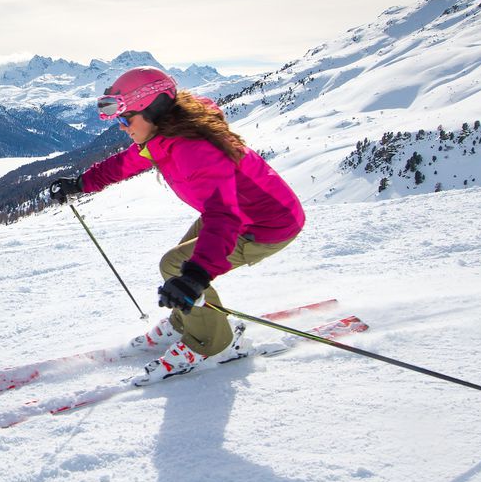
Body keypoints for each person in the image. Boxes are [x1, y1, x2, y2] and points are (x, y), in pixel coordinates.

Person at [49, 66, 305, 386]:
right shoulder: (164, 135)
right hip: (236, 213)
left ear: (154, 109)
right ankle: (187, 321)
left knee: (179, 266)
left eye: (127, 118)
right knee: (181, 266)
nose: (122, 126)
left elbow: (224, 217)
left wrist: (197, 276)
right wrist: (80, 183)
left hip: (265, 224)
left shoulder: (195, 149)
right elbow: (125, 163)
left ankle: (213, 344)